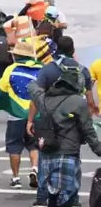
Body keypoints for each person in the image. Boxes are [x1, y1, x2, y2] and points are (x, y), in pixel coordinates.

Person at [28, 67, 101, 207]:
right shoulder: (78, 102)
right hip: (68, 153)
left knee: (52, 194)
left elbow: (32, 88)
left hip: (47, 155)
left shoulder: (44, 99)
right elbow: (88, 130)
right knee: (67, 195)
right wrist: (98, 149)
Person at [0, 41, 41, 189]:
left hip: (16, 114)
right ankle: (35, 169)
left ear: (16, 56)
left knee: (14, 146)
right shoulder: (41, 69)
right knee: (34, 146)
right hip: (36, 115)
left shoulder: (11, 69)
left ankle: (15, 178)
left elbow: (1, 88)